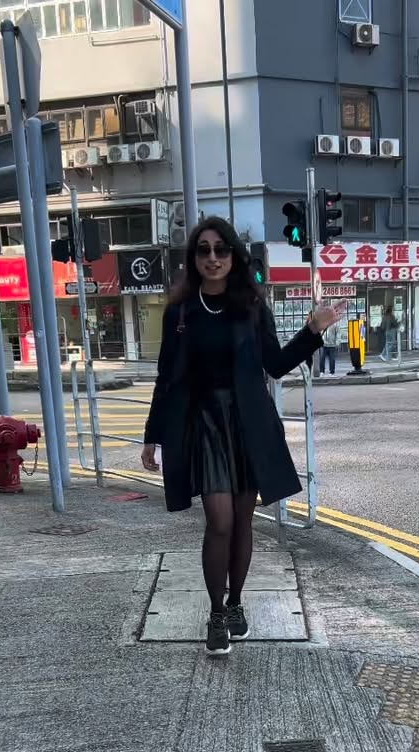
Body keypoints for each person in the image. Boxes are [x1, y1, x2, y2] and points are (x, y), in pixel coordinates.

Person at [141, 216, 344, 656]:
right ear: (194, 258)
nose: (212, 258)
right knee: (219, 522)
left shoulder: (251, 306)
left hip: (248, 423)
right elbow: (166, 378)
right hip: (204, 425)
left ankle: (235, 604)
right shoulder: (180, 311)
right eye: (203, 250)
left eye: (221, 249)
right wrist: (152, 435)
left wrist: (312, 331)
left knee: (242, 522)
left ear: (233, 255)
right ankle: (216, 614)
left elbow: (275, 364)